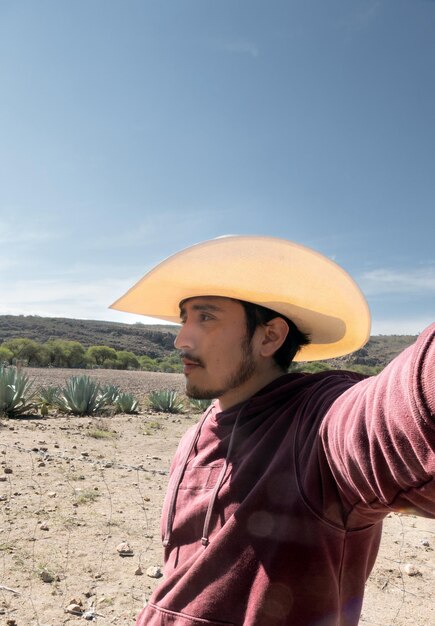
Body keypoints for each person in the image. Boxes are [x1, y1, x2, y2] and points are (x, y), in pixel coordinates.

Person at [110, 236, 435, 626]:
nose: (181, 339)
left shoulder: (316, 421)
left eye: (205, 317)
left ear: (269, 337)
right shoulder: (195, 434)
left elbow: (396, 415)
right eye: (185, 319)